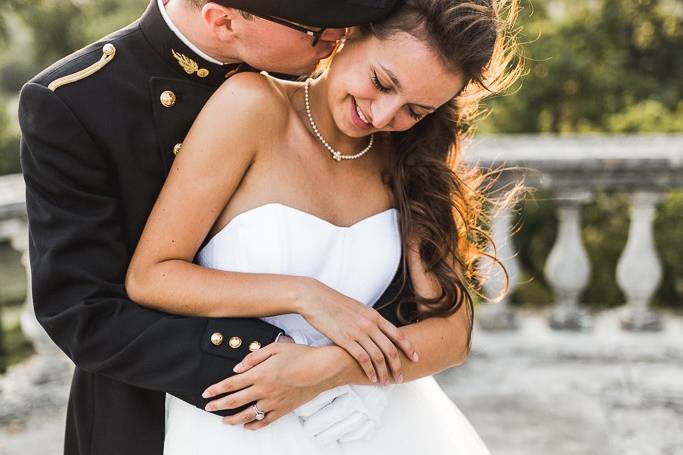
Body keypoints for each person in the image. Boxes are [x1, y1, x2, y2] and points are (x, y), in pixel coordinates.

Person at [125, 0, 521, 452]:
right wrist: (305, 295)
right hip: (246, 426)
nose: (383, 116)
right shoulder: (250, 106)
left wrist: (328, 368)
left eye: (416, 109)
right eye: (381, 83)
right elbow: (151, 276)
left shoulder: (409, 158)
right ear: (350, 32)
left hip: (383, 422)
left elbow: (451, 336)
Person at [18, 1, 410, 454]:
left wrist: (335, 368)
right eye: (317, 30)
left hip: (345, 414)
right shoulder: (76, 99)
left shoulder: (340, 86)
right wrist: (276, 359)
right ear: (222, 20)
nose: (338, 38)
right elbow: (83, 312)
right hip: (154, 407)